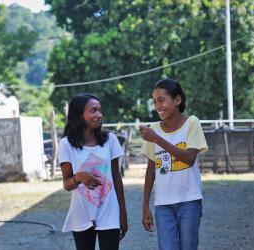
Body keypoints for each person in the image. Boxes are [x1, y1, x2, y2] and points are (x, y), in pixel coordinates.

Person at [140, 79, 208, 250]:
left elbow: (189, 158)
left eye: (161, 100)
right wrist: (145, 206)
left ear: (177, 100)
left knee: (189, 246)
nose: (157, 106)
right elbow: (151, 170)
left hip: (189, 201)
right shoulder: (153, 128)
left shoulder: (192, 123)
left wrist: (156, 139)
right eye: (155, 101)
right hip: (163, 204)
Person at [58, 93, 128, 250]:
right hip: (81, 213)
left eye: (99, 110)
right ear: (79, 115)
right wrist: (79, 178)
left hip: (109, 212)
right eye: (93, 110)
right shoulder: (66, 144)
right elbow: (67, 184)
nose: (99, 115)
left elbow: (116, 178)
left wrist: (123, 213)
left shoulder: (110, 140)